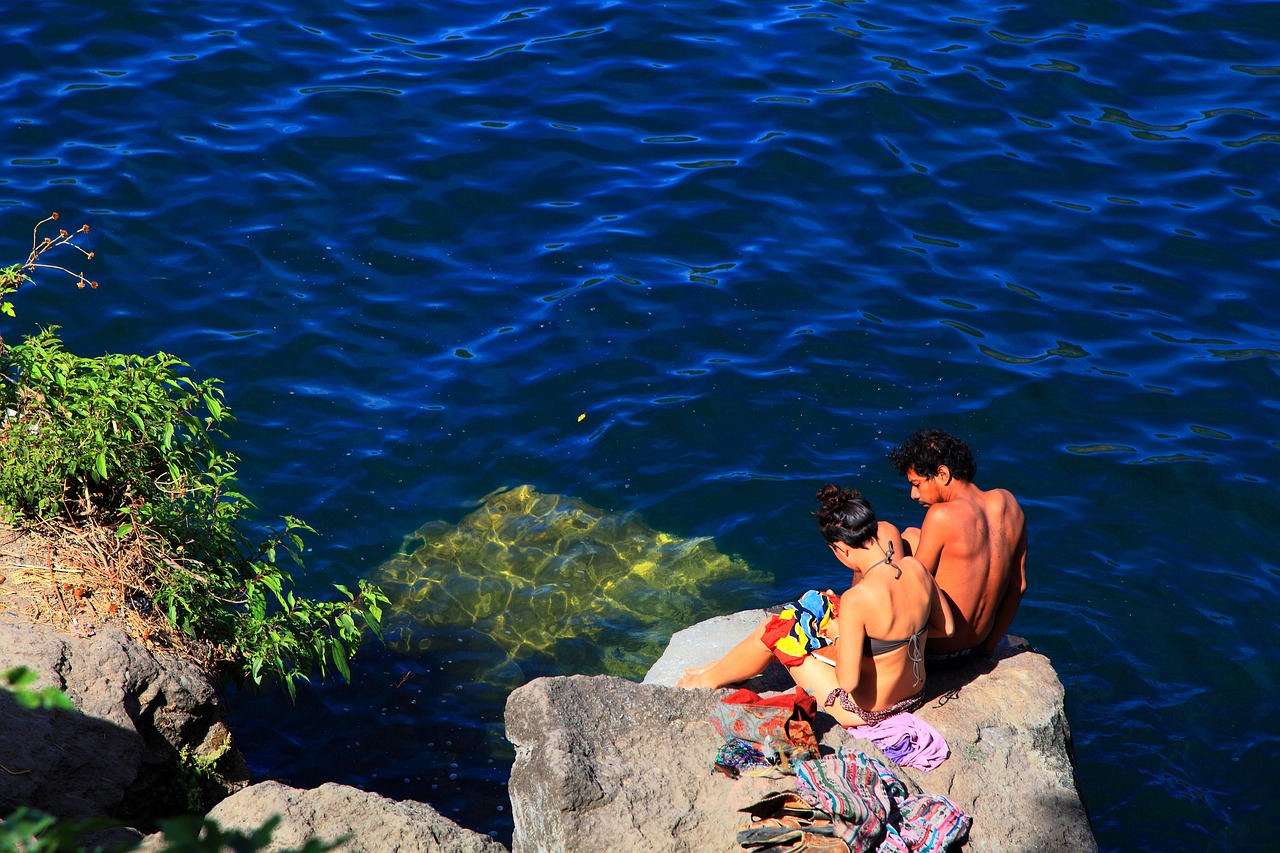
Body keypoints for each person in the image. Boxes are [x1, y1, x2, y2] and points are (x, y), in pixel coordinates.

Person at [677, 484, 953, 728]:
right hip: (915, 692)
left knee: (776, 631)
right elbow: (946, 628)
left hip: (867, 710)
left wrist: (839, 634)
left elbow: (848, 683)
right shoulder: (914, 567)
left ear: (842, 548)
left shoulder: (860, 597)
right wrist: (896, 640)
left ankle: (707, 680)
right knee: (821, 606)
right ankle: (718, 668)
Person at [888, 428, 1028, 667]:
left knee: (895, 537)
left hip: (936, 654)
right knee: (914, 534)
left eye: (917, 484)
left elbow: (913, 592)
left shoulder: (941, 515)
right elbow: (1019, 585)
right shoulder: (1008, 503)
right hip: (976, 648)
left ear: (942, 474)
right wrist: (988, 648)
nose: (913, 494)